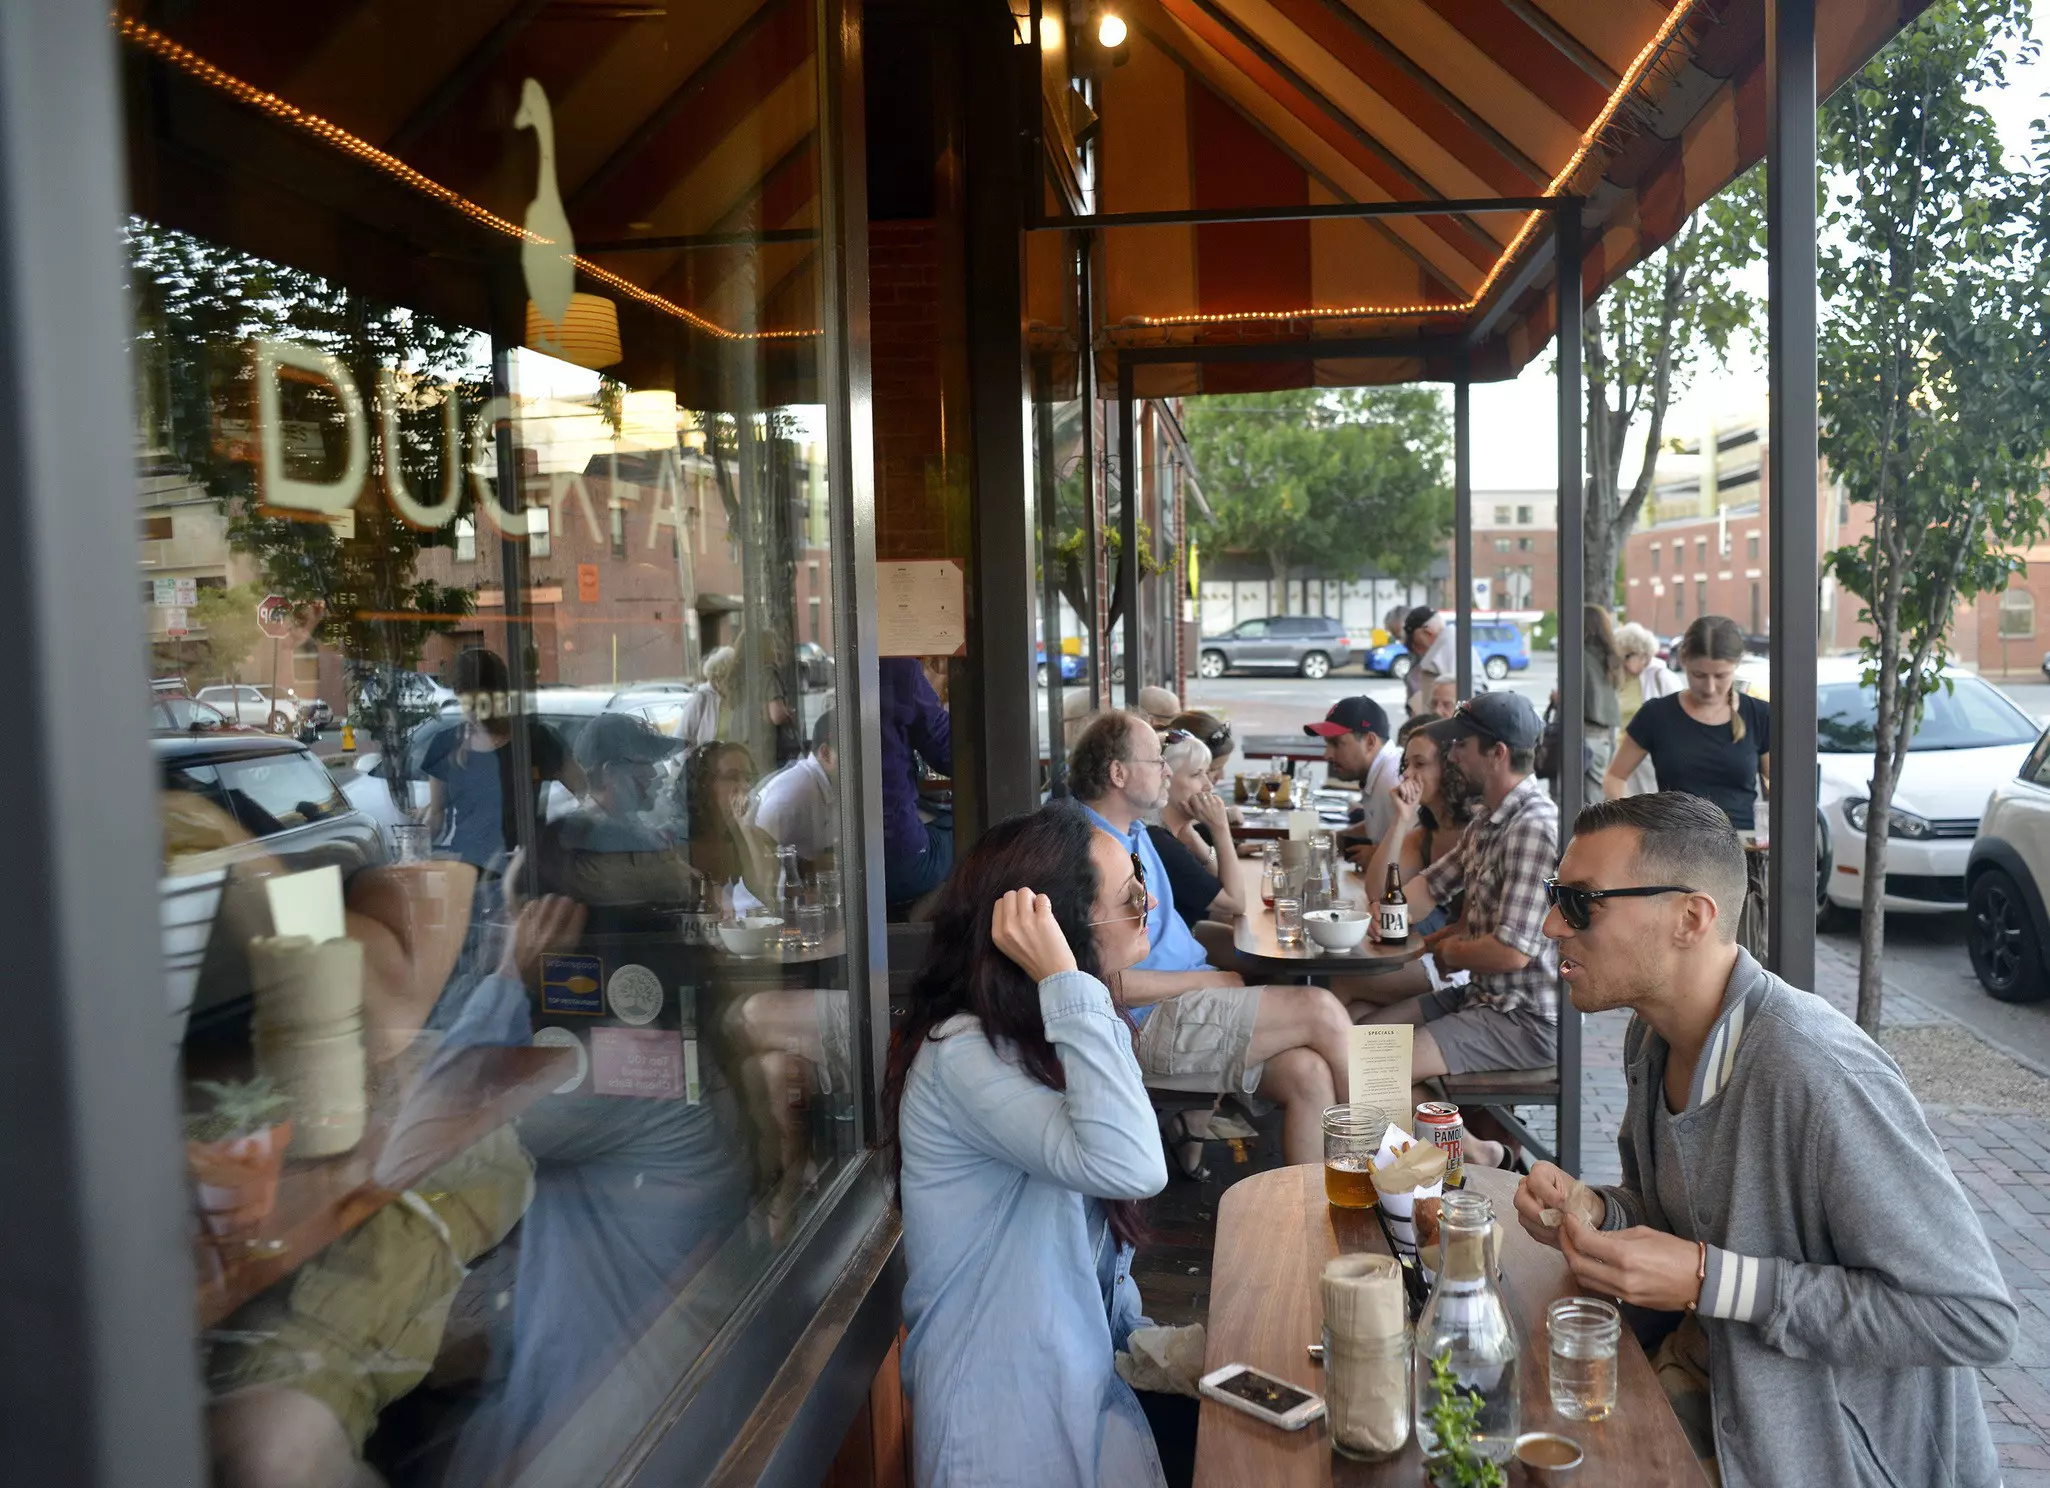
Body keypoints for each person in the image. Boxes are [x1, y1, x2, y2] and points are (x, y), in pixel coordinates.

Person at [1517, 792, 2016, 1488]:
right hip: (1714, 1390)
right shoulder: (1651, 1036)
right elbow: (1685, 1226)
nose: (1549, 925)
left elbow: (1972, 1317)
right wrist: (1601, 1212)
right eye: (1553, 896)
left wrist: (1704, 1280)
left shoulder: (1814, 1070)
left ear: (1691, 918)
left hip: (1825, 1453)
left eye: (1579, 902)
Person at [887, 803, 1170, 1488]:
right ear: (1059, 926)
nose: (1149, 901)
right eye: (1129, 893)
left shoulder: (1040, 1037)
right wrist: (1066, 980)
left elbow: (1093, 1232)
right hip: (1000, 1429)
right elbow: (1131, 1161)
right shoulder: (961, 1055)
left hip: (1075, 1392)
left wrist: (1143, 1338)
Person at [1069, 710, 1354, 1168]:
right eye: (1155, 761)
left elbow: (1178, 931)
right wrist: (1212, 982)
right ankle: (1391, 1159)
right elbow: (1105, 985)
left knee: (1308, 1073)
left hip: (1182, 1005)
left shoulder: (1135, 833)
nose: (1165, 770)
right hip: (1147, 1022)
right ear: (1118, 773)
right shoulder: (1092, 853)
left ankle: (1318, 1221)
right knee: (1320, 1008)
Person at [1360, 692, 1560, 1166]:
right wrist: (1381, 916)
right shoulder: (1489, 819)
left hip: (1525, 1019)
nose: (1453, 756)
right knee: (1363, 1044)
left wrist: (1444, 954)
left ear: (1498, 753)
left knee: (1373, 1069)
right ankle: (1471, 1152)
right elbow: (1428, 888)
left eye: (1462, 745)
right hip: (1483, 999)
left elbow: (1513, 953)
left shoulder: (1533, 824)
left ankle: (1461, 1163)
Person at [1602, 615, 1770, 832]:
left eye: (1721, 676)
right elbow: (1614, 777)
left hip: (1742, 850)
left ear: (1737, 664)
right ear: (1683, 660)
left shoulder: (1759, 715)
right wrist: (1636, 828)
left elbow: (1781, 785)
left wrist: (1770, 829)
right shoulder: (1656, 714)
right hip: (1674, 850)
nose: (1710, 687)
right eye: (1699, 675)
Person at [421, 647, 580, 871]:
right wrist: (415, 850)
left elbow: (586, 792)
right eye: (471, 706)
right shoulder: (445, 744)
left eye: (486, 705)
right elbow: (436, 815)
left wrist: (563, 842)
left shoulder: (535, 739)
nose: (479, 715)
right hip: (469, 870)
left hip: (526, 869)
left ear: (503, 696)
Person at [1354, 726, 1479, 945]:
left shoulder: (1476, 827)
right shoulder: (1427, 833)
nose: (1406, 774)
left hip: (1462, 957)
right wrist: (1401, 818)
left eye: (1419, 764)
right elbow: (1376, 890)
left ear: (1450, 768)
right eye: (1406, 764)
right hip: (1437, 947)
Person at [1147, 728, 1248, 929]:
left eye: (1206, 773)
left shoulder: (1176, 835)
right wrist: (1220, 829)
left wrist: (1193, 838)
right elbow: (1235, 903)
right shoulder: (1160, 843)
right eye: (1196, 774)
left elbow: (1221, 888)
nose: (1208, 785)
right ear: (1164, 779)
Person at [879, 655, 954, 913]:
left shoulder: (845, 659)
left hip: (848, 857)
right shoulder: (899, 669)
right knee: (971, 833)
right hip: (898, 859)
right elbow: (950, 754)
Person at [1308, 697, 1400, 863]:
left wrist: (1378, 856)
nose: (1327, 754)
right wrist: (1337, 837)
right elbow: (1380, 823)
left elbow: (1425, 844)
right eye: (1327, 744)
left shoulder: (1393, 778)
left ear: (1370, 742)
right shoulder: (1381, 771)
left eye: (1336, 743)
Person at [750, 708, 838, 868]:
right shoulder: (794, 794)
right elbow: (754, 855)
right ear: (825, 754)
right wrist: (813, 866)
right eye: (853, 752)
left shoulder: (827, 784)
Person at [1613, 621, 1681, 795]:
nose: (1622, 662)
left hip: (1649, 758)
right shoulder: (1620, 678)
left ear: (1642, 654)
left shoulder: (1662, 677)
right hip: (1621, 755)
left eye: (1626, 657)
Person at [1576, 604, 1623, 807]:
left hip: (1585, 737)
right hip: (1605, 738)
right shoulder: (1610, 659)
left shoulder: (1581, 657)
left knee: (1579, 807)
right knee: (1594, 803)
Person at [676, 644, 739, 746]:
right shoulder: (700, 699)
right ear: (718, 678)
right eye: (731, 678)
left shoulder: (739, 700)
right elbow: (679, 740)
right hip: (704, 761)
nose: (735, 683)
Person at [1403, 606, 1457, 717]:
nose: (1418, 650)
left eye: (1417, 644)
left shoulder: (1441, 652)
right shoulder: (1456, 641)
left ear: (1428, 632)